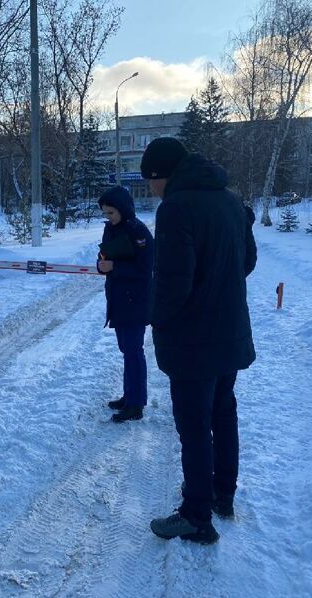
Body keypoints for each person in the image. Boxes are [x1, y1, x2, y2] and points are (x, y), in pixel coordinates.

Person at [143, 138, 257, 545]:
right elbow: (247, 262)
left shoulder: (176, 209)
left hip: (193, 341)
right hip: (228, 332)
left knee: (194, 429)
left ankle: (196, 516)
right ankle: (221, 495)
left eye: (150, 182)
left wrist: (154, 318)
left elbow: (174, 285)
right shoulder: (230, 200)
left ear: (161, 176)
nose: (151, 191)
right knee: (223, 414)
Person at [96, 186, 155, 422]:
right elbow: (106, 257)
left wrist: (115, 268)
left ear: (123, 209)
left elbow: (145, 268)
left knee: (133, 351)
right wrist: (102, 265)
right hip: (118, 299)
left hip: (135, 300)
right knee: (126, 351)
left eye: (111, 213)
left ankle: (136, 403)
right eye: (105, 214)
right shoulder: (111, 229)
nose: (108, 218)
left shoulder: (137, 231)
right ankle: (129, 395)